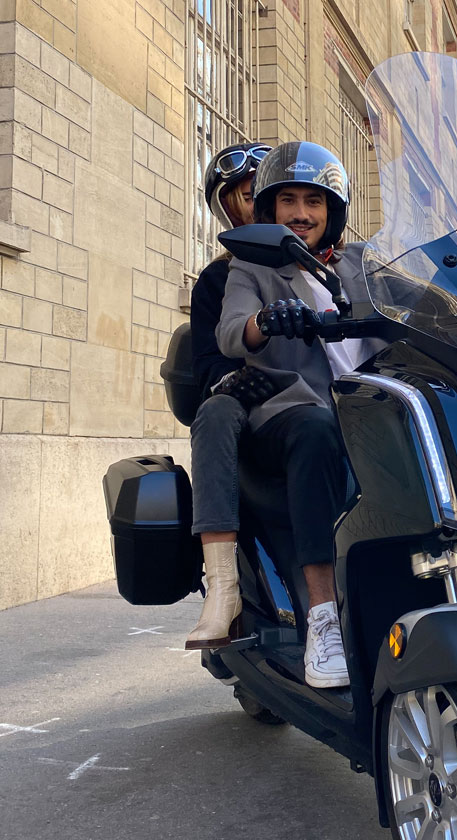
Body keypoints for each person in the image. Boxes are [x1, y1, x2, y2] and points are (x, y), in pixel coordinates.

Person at [216, 141, 379, 688]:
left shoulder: (364, 265)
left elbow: (430, 301)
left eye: (314, 200)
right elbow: (231, 330)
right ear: (269, 210)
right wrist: (267, 319)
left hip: (370, 408)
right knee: (315, 428)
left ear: (334, 211)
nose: (302, 213)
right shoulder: (253, 265)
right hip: (292, 413)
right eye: (288, 200)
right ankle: (323, 619)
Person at [185, 142, 272, 651]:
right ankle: (222, 586)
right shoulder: (218, 278)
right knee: (214, 411)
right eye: (244, 195)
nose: (256, 202)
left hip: (325, 398)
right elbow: (206, 366)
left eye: (264, 191)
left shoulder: (329, 264)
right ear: (228, 209)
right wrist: (235, 379)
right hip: (251, 406)